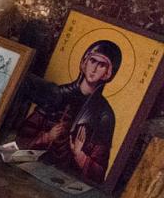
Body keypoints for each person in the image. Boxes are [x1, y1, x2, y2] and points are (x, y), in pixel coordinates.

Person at [17, 40, 121, 185]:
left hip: (67, 182)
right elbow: (21, 139)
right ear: (84, 62)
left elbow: (98, 173)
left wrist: (79, 154)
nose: (94, 69)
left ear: (108, 73)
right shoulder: (58, 94)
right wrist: (47, 137)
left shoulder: (104, 115)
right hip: (30, 170)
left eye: (101, 65)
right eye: (92, 61)